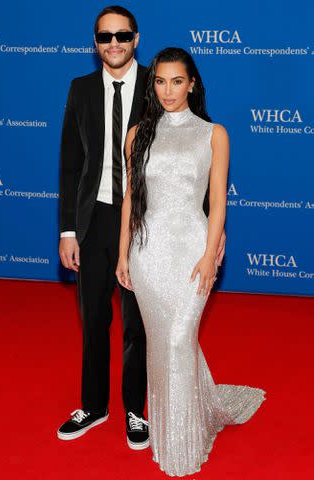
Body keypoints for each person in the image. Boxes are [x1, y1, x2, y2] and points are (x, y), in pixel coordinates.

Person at [116, 47, 266, 476]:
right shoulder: (137, 134)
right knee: (163, 343)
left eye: (177, 81)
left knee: (180, 339)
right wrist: (124, 252)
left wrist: (210, 252)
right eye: (160, 81)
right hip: (147, 254)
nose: (167, 90)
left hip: (191, 251)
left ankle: (185, 438)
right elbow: (131, 201)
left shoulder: (213, 134)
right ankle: (175, 425)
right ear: (153, 84)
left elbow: (217, 202)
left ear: (192, 84)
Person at [57, 6, 150, 449]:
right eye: (105, 36)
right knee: (93, 318)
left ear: (136, 38)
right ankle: (94, 406)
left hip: (144, 222)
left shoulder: (159, 84)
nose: (113, 43)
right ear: (95, 43)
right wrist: (67, 231)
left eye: (122, 34)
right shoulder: (80, 89)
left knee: (137, 322)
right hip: (94, 219)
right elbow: (71, 164)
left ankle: (135, 410)